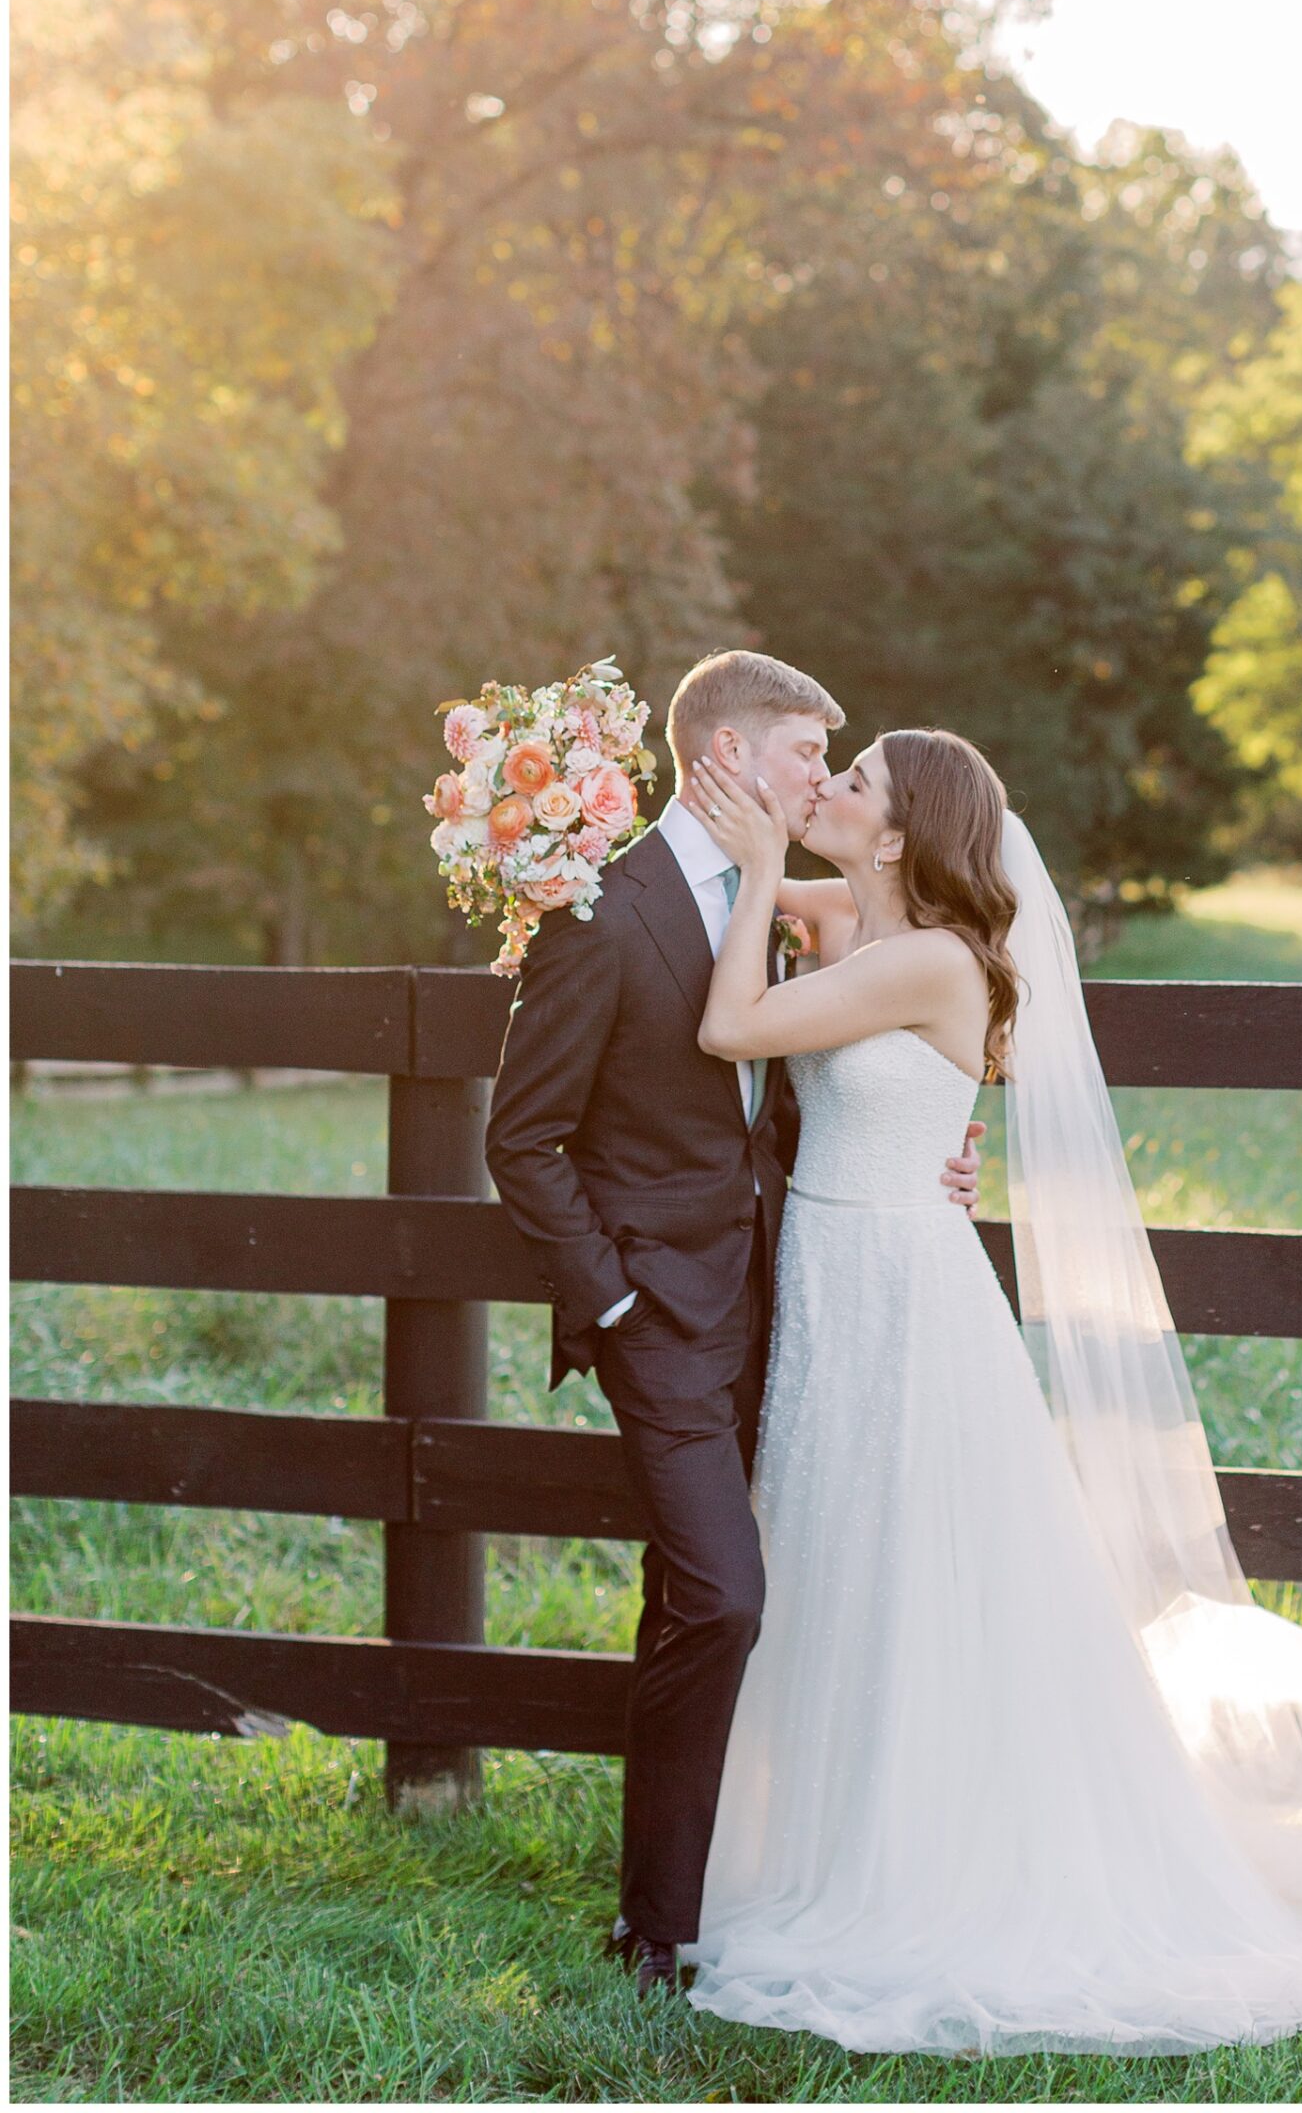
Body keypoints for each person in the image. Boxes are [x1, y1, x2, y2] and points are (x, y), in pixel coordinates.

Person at [674, 724, 1302, 2056]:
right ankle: (834, 1825)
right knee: (839, 1551)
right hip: (838, 1279)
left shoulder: (931, 959)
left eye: (855, 781)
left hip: (903, 1296)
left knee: (916, 1562)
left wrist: (767, 859)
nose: (826, 788)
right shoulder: (859, 923)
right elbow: (740, 910)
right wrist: (746, 847)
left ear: (894, 834)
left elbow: (729, 1024)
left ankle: (932, 1860)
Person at [483, 653, 983, 2002]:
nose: (820, 778)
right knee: (725, 1593)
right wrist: (612, 1300)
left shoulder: (783, 902)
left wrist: (943, 1143)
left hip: (789, 1301)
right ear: (722, 752)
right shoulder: (601, 908)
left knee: (698, 1600)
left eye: (833, 763)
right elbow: (521, 1141)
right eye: (804, 754)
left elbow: (901, 1024)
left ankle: (672, 1907)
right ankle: (658, 1927)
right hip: (660, 1317)